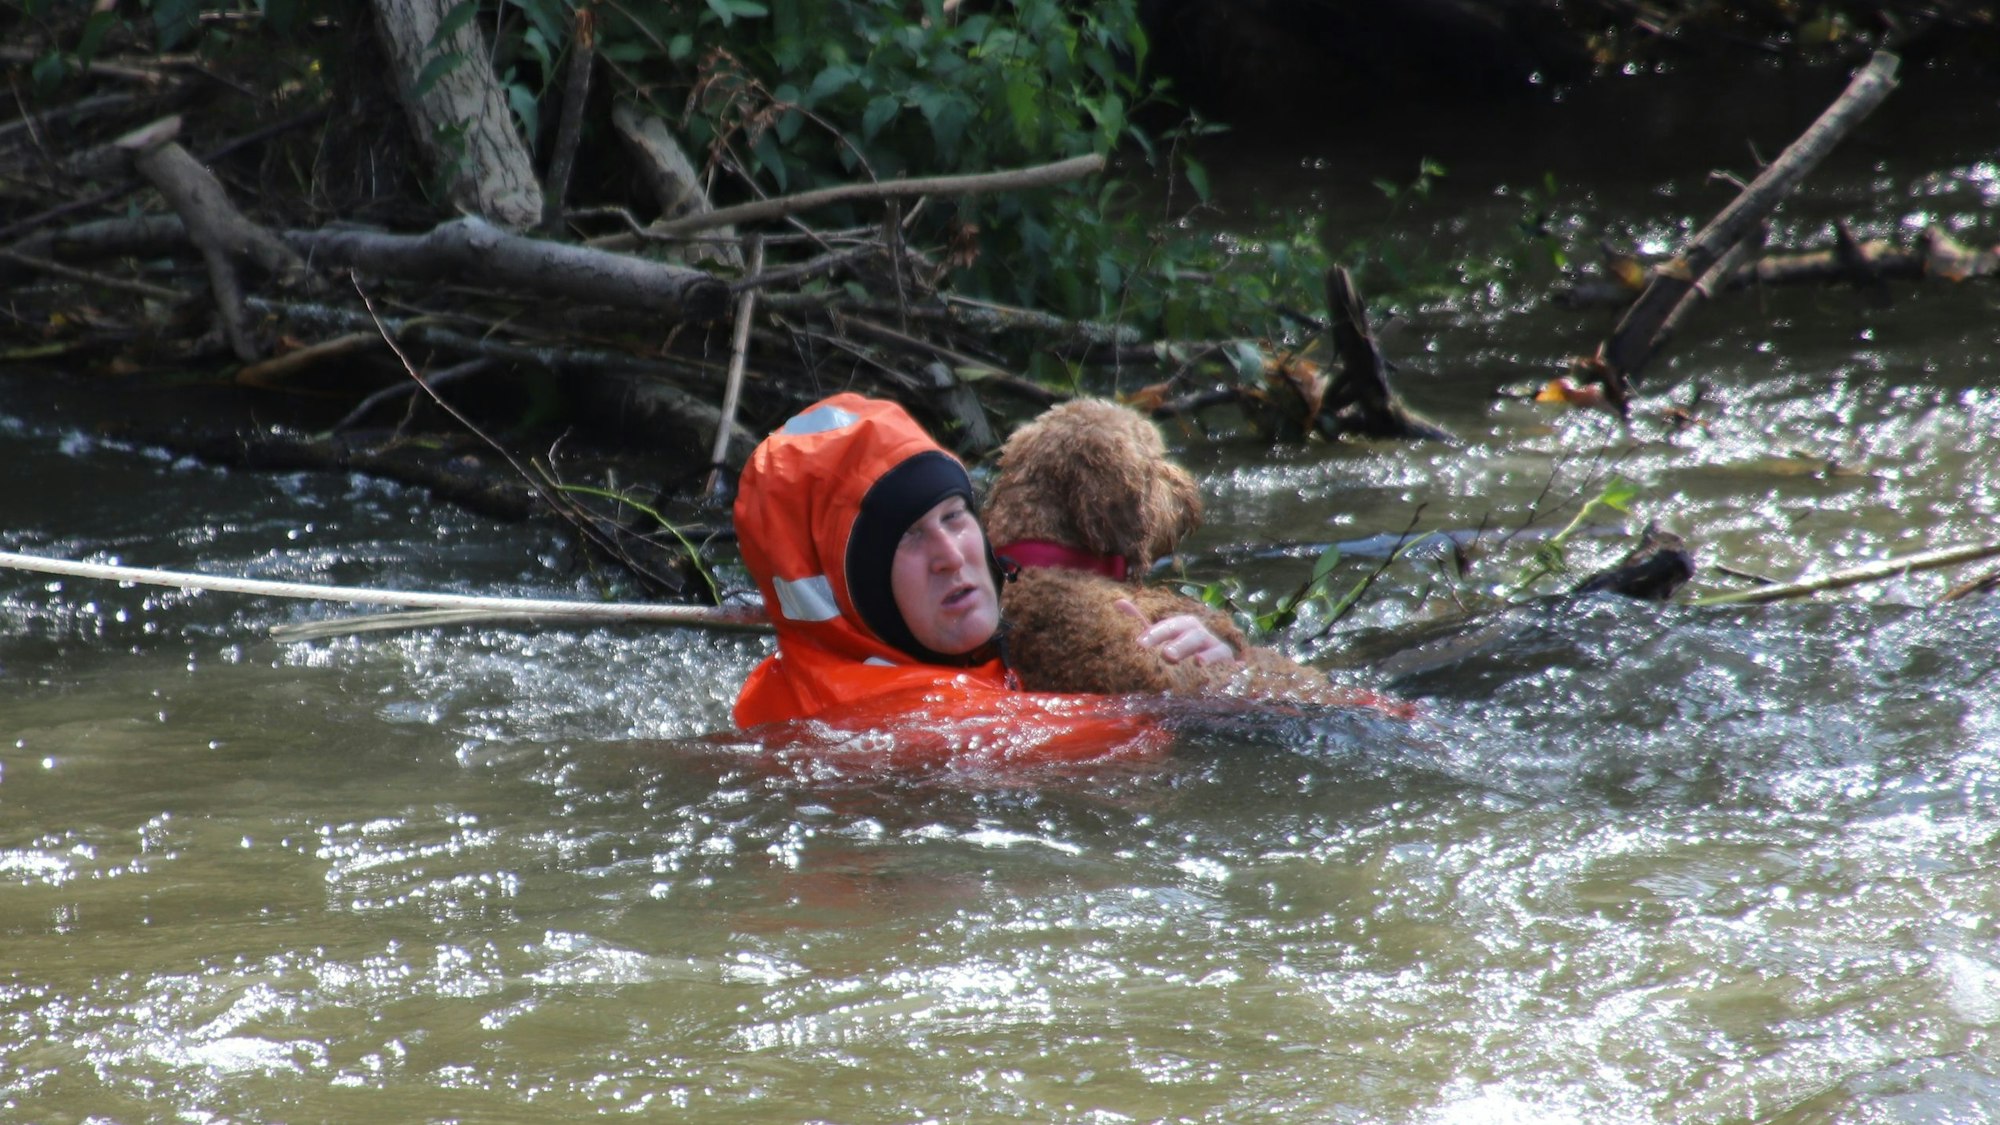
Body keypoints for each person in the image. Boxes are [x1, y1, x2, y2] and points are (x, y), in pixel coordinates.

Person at [732, 393, 1236, 734]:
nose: (951, 557)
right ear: (849, 592)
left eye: (954, 516)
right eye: (909, 537)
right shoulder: (916, 725)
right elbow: (1149, 746)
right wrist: (1197, 685)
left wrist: (1209, 646)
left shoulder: (788, 679)